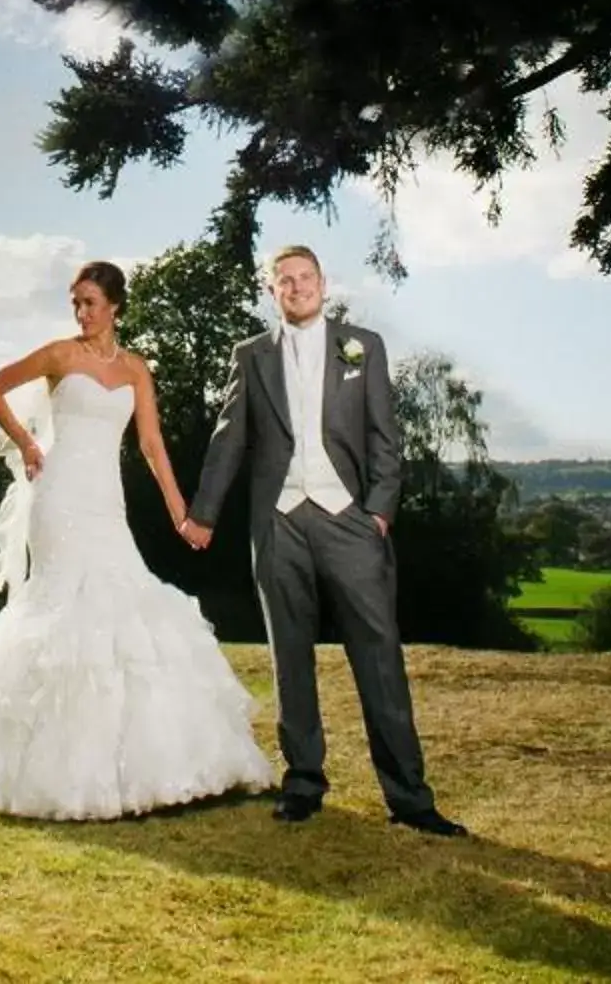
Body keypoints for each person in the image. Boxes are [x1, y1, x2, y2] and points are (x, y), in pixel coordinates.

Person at [0, 259, 276, 818]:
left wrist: (181, 515)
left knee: (122, 604)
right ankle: (22, 759)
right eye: (75, 303)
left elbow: (152, 447)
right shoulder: (59, 355)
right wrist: (26, 443)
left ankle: (136, 765)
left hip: (105, 503)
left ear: (115, 306)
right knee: (60, 605)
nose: (81, 312)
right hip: (59, 496)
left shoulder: (137, 370)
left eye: (90, 302)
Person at [184, 246, 466, 835]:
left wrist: (378, 515)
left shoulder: (363, 345)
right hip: (279, 523)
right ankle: (304, 783)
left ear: (323, 283)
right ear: (272, 291)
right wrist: (203, 514)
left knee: (379, 659)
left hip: (350, 522)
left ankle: (410, 799)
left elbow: (386, 439)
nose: (297, 287)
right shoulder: (251, 356)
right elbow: (228, 441)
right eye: (284, 280)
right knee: (290, 658)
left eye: (305, 277)